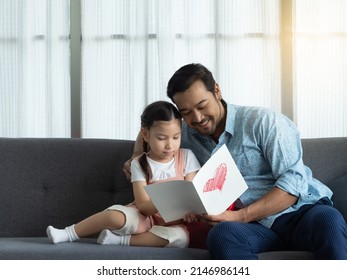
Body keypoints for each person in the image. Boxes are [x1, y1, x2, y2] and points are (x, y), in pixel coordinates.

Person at [124, 63, 347, 259]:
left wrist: (239, 216)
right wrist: (136, 156)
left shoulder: (263, 122)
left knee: (328, 221)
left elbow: (293, 183)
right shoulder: (186, 134)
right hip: (254, 228)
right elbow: (151, 129)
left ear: (217, 91)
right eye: (187, 113)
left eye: (202, 106)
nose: (198, 118)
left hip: (299, 213)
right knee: (221, 236)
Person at [46, 100, 201, 248]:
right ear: (146, 135)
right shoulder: (139, 163)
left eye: (176, 137)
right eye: (162, 138)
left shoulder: (187, 157)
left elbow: (191, 195)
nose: (170, 145)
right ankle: (68, 233)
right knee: (113, 216)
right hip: (144, 216)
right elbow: (143, 206)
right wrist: (170, 200)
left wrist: (191, 211)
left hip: (175, 223)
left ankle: (121, 240)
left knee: (181, 238)